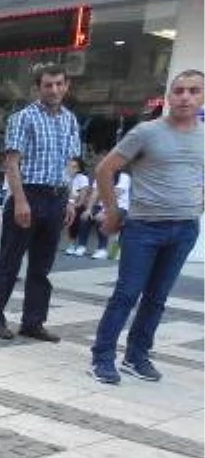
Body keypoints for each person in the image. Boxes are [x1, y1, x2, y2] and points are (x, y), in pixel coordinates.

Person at [88, 69, 205, 385]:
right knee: (126, 294)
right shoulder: (146, 132)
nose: (185, 97)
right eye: (179, 90)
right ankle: (102, 357)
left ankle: (137, 356)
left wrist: (198, 205)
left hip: (184, 229)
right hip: (144, 228)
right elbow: (104, 169)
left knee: (157, 297)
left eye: (193, 91)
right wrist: (112, 212)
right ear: (168, 97)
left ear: (203, 97)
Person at [0, 64, 81, 341]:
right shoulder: (23, 118)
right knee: (10, 261)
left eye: (59, 84)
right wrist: (20, 201)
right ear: (38, 88)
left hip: (57, 197)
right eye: (48, 85)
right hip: (28, 194)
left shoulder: (70, 120)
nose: (54, 90)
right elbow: (11, 163)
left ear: (66, 85)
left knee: (42, 266)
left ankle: (33, 322)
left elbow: (72, 163)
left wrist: (71, 199)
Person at [74, 169, 130, 259]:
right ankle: (82, 246)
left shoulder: (124, 177)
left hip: (120, 207)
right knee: (85, 216)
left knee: (102, 218)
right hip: (102, 206)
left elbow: (115, 195)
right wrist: (88, 209)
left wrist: (104, 211)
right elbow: (95, 194)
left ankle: (102, 249)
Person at [64, 156, 91, 254]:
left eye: (74, 167)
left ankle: (73, 243)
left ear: (79, 169)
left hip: (78, 204)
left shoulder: (83, 178)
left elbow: (82, 196)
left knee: (74, 213)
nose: (71, 168)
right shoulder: (65, 177)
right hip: (66, 202)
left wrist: (75, 204)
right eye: (69, 166)